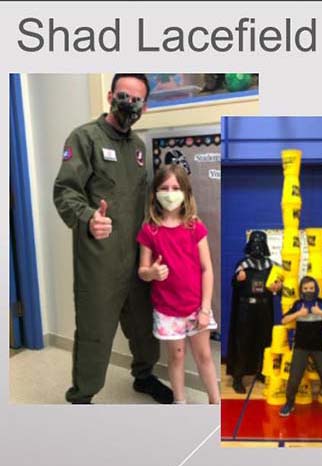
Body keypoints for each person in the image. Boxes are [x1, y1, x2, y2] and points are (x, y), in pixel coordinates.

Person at [53, 73, 172, 404]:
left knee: (143, 326)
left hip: (137, 256)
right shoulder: (84, 138)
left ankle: (144, 376)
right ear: (109, 95)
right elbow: (65, 190)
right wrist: (89, 217)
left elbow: (142, 198)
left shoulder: (137, 147)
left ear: (144, 107)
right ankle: (82, 397)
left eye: (136, 99)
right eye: (123, 95)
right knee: (95, 331)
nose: (128, 103)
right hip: (100, 259)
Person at [136, 164, 219, 404]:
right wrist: (151, 273)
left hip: (196, 308)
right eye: (164, 188)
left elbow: (207, 269)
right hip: (167, 310)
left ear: (185, 192)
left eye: (176, 188)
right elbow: (142, 271)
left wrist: (204, 309)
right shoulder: (149, 230)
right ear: (155, 193)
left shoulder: (194, 226)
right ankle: (179, 403)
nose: (170, 193)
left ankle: (216, 403)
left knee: (204, 355)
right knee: (177, 357)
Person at [278, 276, 322, 416]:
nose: (309, 291)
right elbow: (284, 320)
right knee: (294, 377)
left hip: (320, 347)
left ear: (316, 289)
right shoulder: (298, 304)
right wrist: (298, 314)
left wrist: (320, 313)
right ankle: (289, 404)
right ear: (301, 290)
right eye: (306, 288)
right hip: (301, 347)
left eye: (311, 288)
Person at [226, 230, 280, 393]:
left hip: (264, 307)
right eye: (254, 242)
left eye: (260, 243)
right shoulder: (243, 265)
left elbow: (278, 286)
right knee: (243, 341)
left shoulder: (272, 265)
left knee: (265, 341)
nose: (257, 246)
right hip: (246, 308)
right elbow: (234, 286)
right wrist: (238, 279)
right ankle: (238, 377)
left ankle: (262, 372)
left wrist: (278, 287)